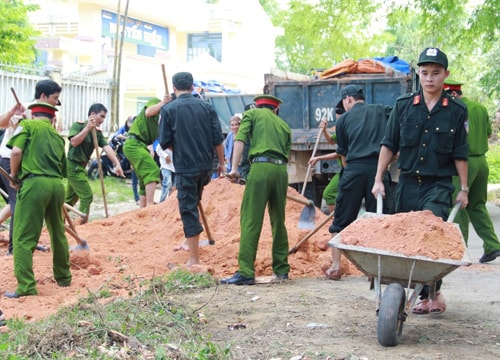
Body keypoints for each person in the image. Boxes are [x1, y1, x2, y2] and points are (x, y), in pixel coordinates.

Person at [372, 47, 469, 315]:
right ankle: (408, 291)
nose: (429, 79)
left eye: (436, 73)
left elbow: (460, 153)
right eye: (425, 73)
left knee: (431, 237)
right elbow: (389, 144)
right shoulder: (404, 106)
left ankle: (431, 293)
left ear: (445, 75)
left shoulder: (456, 111)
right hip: (407, 185)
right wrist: (378, 179)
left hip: (437, 185)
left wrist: (464, 189)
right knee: (403, 240)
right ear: (419, 75)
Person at [323, 86, 392, 281]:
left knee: (340, 221)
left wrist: (348, 174)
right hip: (378, 170)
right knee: (379, 220)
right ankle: (375, 271)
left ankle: (336, 267)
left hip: (353, 170)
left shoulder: (343, 119)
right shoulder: (382, 110)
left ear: (348, 100)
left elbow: (342, 154)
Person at [221, 94, 291, 285]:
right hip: (280, 171)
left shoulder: (251, 115)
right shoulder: (283, 125)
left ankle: (245, 271)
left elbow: (239, 140)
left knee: (251, 219)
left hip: (260, 168)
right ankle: (282, 270)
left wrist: (234, 169)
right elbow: (286, 152)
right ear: (275, 109)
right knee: (279, 220)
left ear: (257, 106)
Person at [4, 102, 72, 298]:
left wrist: (14, 176)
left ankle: (26, 286)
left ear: (33, 115)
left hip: (34, 185)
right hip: (57, 186)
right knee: (57, 231)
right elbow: (62, 168)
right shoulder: (58, 137)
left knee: (23, 236)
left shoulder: (28, 126)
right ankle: (64, 277)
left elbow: (16, 152)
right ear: (52, 118)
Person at [159, 71, 225, 266]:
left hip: (186, 167)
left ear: (174, 88)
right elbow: (218, 140)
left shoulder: (169, 109)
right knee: (194, 202)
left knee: (188, 209)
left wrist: (180, 149)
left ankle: (194, 260)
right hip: (206, 166)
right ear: (192, 86)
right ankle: (189, 242)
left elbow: (164, 143)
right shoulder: (206, 107)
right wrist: (221, 163)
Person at [444, 79, 500, 263]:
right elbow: (488, 133)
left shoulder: (454, 109)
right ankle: (493, 246)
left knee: (458, 206)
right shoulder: (480, 108)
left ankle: (461, 252)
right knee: (477, 205)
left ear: (452, 93)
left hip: (463, 163)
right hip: (482, 162)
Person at [65, 103, 124, 223]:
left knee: (70, 200)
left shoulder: (97, 133)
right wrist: (87, 128)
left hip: (81, 167)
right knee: (87, 196)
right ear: (92, 114)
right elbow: (74, 142)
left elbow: (107, 148)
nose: (102, 120)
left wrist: (117, 164)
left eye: (104, 117)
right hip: (73, 166)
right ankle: (82, 224)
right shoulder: (78, 126)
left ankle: (57, 221)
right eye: (101, 116)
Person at [123, 97, 169, 207]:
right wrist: (163, 102)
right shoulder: (156, 103)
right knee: (153, 170)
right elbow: (148, 112)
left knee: (145, 179)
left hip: (141, 145)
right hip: (134, 143)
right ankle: (149, 205)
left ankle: (143, 209)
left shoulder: (164, 119)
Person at [308, 100, 345, 215]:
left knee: (329, 193)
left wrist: (319, 158)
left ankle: (338, 221)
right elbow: (331, 141)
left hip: (350, 171)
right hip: (344, 171)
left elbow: (339, 153)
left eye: (340, 119)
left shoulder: (348, 130)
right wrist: (324, 130)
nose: (339, 122)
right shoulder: (342, 129)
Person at [113, 115, 139, 203]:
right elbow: (117, 135)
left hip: (138, 156)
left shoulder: (138, 132)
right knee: (135, 179)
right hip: (126, 151)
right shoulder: (124, 129)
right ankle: (137, 198)